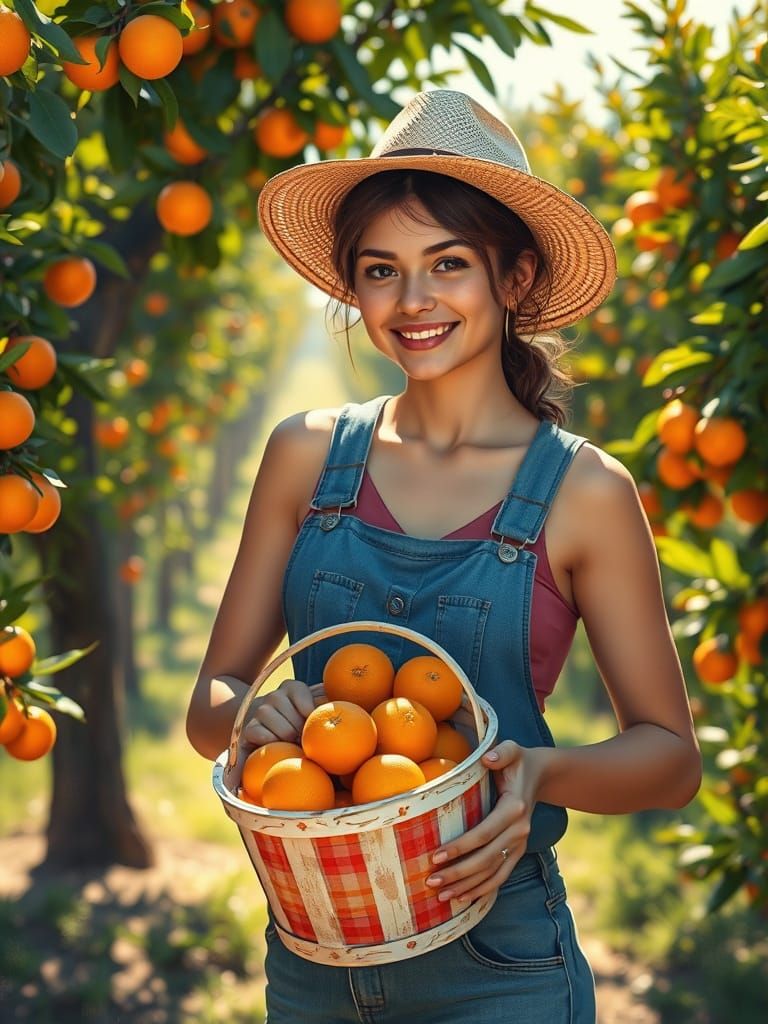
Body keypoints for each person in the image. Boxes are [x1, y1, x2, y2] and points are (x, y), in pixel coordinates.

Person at [186, 89, 702, 1023]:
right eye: (381, 270)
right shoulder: (306, 458)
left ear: (514, 278)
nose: (413, 301)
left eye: (449, 264)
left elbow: (669, 758)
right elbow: (213, 695)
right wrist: (253, 715)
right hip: (313, 952)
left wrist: (541, 772)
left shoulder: (584, 494)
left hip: (501, 964)